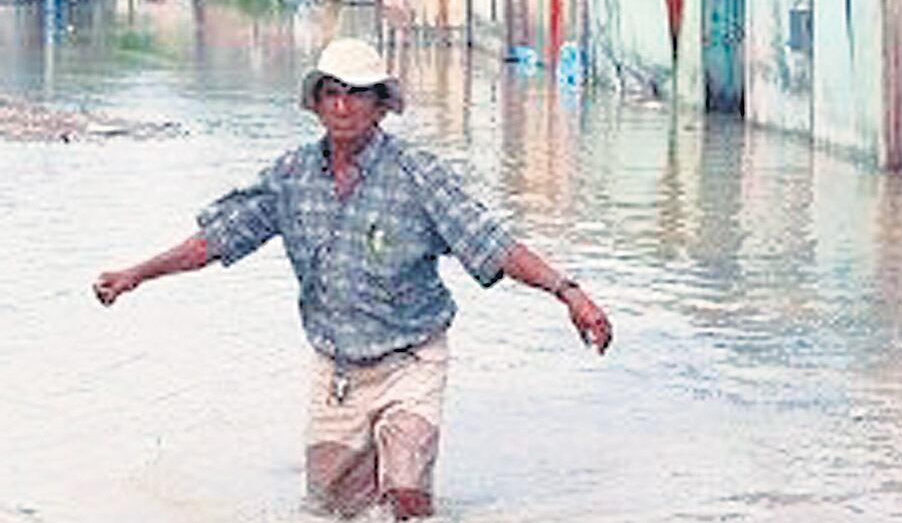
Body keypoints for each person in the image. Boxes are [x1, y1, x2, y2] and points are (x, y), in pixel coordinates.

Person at [93, 37, 614, 520]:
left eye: (357, 95)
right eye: (332, 94)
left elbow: (491, 243)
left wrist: (567, 291)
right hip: (336, 367)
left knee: (406, 492)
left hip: (412, 357)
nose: (342, 106)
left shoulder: (417, 174)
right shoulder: (291, 176)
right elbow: (216, 241)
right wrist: (137, 274)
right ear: (316, 104)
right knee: (330, 507)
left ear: (381, 105)